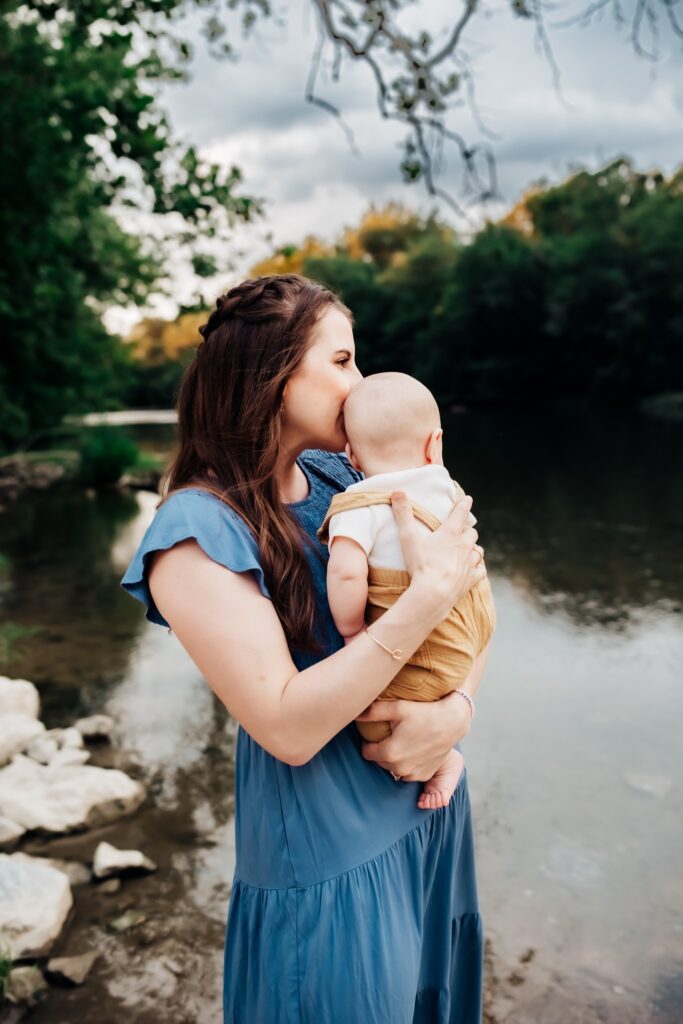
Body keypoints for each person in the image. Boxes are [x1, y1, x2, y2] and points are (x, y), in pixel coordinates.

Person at [120, 273, 490, 1024]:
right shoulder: (195, 533)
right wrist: (418, 605)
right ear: (275, 376)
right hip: (328, 861)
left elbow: (469, 594)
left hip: (424, 811)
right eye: (342, 360)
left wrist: (457, 708)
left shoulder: (341, 475)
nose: (360, 382)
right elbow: (286, 727)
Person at [316, 371, 496, 812]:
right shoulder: (447, 488)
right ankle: (446, 754)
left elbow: (345, 574)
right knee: (432, 703)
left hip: (420, 649)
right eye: (342, 358)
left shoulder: (360, 503)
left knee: (384, 715)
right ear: (435, 444)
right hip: (473, 623)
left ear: (351, 456)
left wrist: (352, 628)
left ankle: (431, 763)